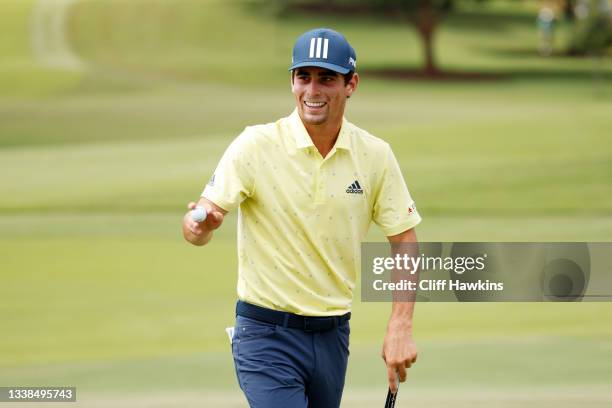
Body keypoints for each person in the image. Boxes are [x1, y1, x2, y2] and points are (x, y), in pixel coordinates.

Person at [182, 27, 421, 408]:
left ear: (351, 84)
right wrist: (199, 227)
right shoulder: (255, 144)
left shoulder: (375, 155)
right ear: (292, 82)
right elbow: (197, 227)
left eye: (326, 78)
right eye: (303, 77)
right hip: (264, 334)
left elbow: (404, 241)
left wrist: (400, 325)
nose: (313, 90)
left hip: (332, 336)